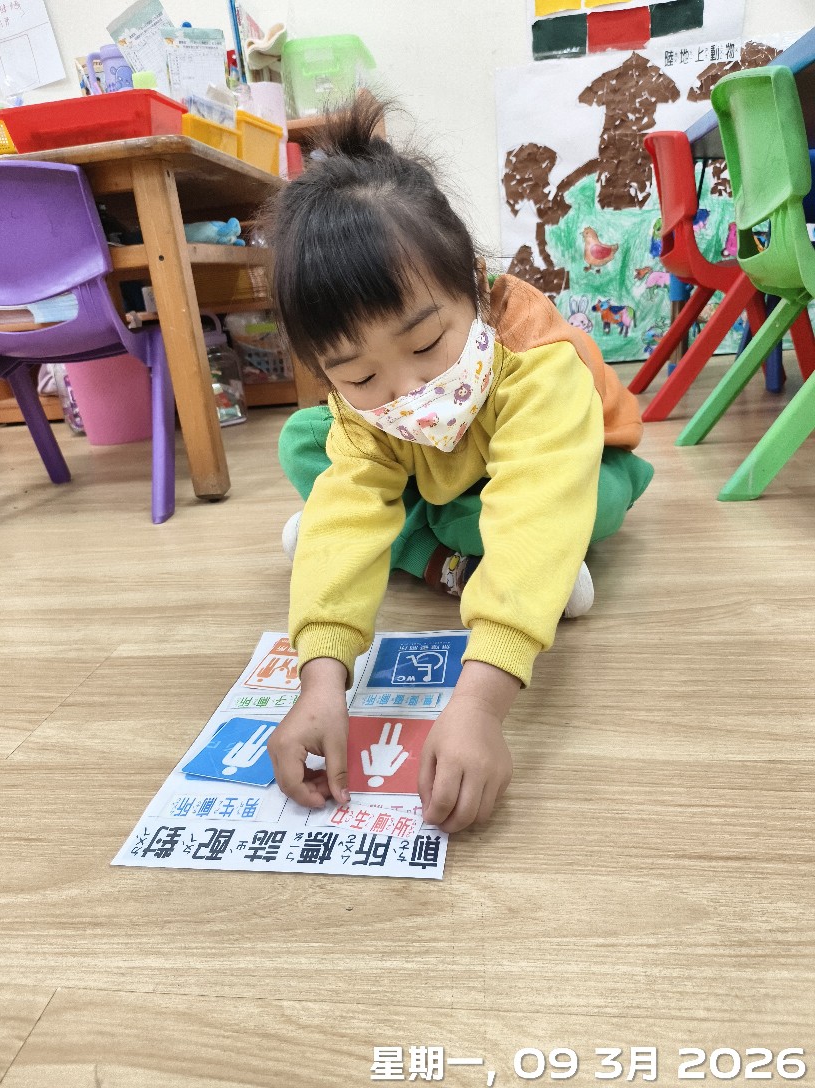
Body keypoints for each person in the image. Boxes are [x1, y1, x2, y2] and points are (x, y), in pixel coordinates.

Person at [261, 96, 653, 834]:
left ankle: (439, 551)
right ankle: (456, 559)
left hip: (568, 460)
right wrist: (320, 674)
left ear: (473, 283)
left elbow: (537, 502)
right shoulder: (365, 408)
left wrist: (480, 704)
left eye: (425, 345)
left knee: (579, 509)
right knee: (309, 446)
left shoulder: (538, 364)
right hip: (444, 481)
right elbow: (350, 497)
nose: (407, 391)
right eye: (359, 375)